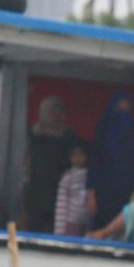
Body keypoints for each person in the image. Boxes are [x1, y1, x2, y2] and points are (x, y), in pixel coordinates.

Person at [88, 94, 134, 229]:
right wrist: (91, 196)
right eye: (119, 108)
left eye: (126, 109)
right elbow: (94, 163)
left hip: (129, 190)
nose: (122, 114)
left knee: (122, 228)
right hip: (104, 192)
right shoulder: (103, 131)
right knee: (100, 229)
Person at [23, 96, 82, 232]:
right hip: (36, 191)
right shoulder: (33, 134)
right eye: (51, 111)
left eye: (59, 111)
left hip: (62, 193)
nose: (55, 115)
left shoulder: (69, 136)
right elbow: (26, 161)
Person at [52, 141, 94, 235]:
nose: (78, 158)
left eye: (81, 154)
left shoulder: (93, 175)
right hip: (72, 222)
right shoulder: (67, 177)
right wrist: (59, 232)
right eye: (74, 155)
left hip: (90, 222)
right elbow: (61, 205)